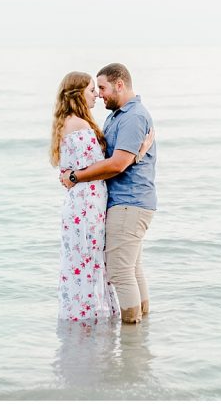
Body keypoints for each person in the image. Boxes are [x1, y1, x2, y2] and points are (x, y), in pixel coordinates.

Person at [51, 71, 153, 326]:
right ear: (77, 94)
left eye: (100, 88)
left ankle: (129, 330)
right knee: (101, 264)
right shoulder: (80, 124)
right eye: (92, 90)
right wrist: (138, 153)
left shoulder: (92, 121)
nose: (97, 94)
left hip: (97, 203)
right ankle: (129, 332)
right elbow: (109, 164)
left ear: (119, 85)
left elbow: (112, 163)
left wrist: (136, 153)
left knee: (112, 266)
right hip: (88, 204)